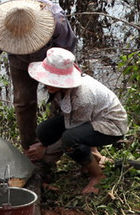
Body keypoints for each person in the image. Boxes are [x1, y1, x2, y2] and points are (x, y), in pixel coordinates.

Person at [0, 0, 77, 151]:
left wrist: (56, 86)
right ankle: (29, 149)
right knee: (23, 103)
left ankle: (55, 149)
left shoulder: (57, 22)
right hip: (20, 62)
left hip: (51, 60)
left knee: (61, 103)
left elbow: (67, 55)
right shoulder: (1, 30)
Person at [25, 48, 129, 195]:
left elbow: (71, 133)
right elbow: (65, 119)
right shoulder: (60, 90)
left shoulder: (82, 97)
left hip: (110, 125)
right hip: (90, 118)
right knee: (44, 131)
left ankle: (97, 175)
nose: (47, 84)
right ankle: (87, 162)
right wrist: (43, 144)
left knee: (71, 141)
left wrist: (47, 152)